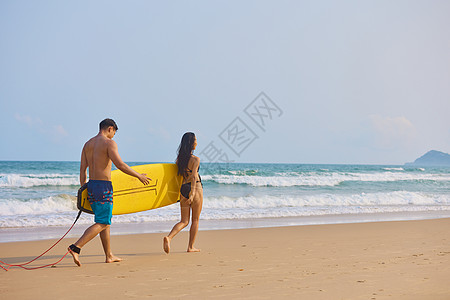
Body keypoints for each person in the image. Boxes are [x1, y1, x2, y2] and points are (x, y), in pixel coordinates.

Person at [68, 118, 150, 266]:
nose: (113, 137)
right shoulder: (109, 143)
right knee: (103, 222)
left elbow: (82, 169)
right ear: (111, 128)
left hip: (91, 186)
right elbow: (120, 164)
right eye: (114, 133)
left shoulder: (87, 144)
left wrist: (83, 188)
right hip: (103, 187)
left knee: (105, 220)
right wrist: (138, 176)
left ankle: (109, 255)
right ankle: (76, 247)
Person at [163, 132, 203, 253]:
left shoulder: (179, 159)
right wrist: (192, 193)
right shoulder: (196, 159)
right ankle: (190, 247)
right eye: (195, 140)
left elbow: (178, 177)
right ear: (191, 143)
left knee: (184, 221)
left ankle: (169, 237)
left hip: (183, 188)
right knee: (195, 220)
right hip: (194, 188)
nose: (196, 142)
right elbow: (194, 176)